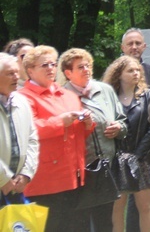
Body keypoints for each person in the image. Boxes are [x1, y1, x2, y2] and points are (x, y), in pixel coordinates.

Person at [18, 45, 93, 232]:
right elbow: (28, 130)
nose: (51, 68)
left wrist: (87, 123)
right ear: (30, 70)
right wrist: (60, 122)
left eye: (53, 64)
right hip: (45, 181)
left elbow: (78, 136)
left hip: (74, 177)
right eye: (44, 65)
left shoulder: (67, 95)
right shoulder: (23, 98)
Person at [58, 47, 128, 231]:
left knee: (104, 221)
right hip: (78, 171)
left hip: (106, 167)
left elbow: (123, 121)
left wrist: (119, 128)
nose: (87, 70)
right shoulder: (61, 96)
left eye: (88, 65)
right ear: (68, 72)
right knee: (79, 222)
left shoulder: (105, 90)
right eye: (80, 67)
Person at [102, 56, 150, 232]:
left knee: (145, 207)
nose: (136, 73)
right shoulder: (109, 98)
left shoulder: (147, 96)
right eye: (130, 70)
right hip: (115, 160)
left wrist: (139, 154)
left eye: (137, 70)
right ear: (118, 74)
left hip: (142, 158)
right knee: (116, 208)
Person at [0, 52, 38, 204]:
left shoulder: (22, 102)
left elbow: (32, 139)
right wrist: (3, 178)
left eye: (17, 72)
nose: (16, 77)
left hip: (16, 187)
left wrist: (26, 174)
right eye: (10, 73)